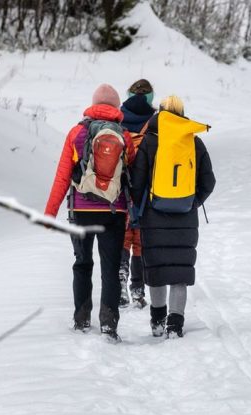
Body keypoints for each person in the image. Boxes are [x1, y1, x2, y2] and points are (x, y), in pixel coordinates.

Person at [45, 83, 137, 341]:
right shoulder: (125, 136)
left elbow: (63, 176)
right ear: (117, 107)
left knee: (82, 264)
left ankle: (82, 318)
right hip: (113, 211)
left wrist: (50, 212)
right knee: (110, 267)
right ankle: (109, 324)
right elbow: (131, 176)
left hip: (81, 210)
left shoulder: (77, 133)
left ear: (93, 104)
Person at [129, 95, 216, 338]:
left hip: (153, 216)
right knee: (180, 270)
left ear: (161, 113)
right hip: (185, 218)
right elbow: (209, 182)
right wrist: (192, 203)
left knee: (157, 267)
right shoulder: (194, 142)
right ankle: (175, 323)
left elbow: (137, 183)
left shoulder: (149, 142)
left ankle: (158, 319)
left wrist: (142, 207)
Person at [118, 79, 157, 308]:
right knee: (141, 240)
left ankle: (120, 282)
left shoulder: (118, 117)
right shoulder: (155, 121)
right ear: (151, 96)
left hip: (121, 186)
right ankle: (138, 290)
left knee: (123, 236)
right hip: (147, 188)